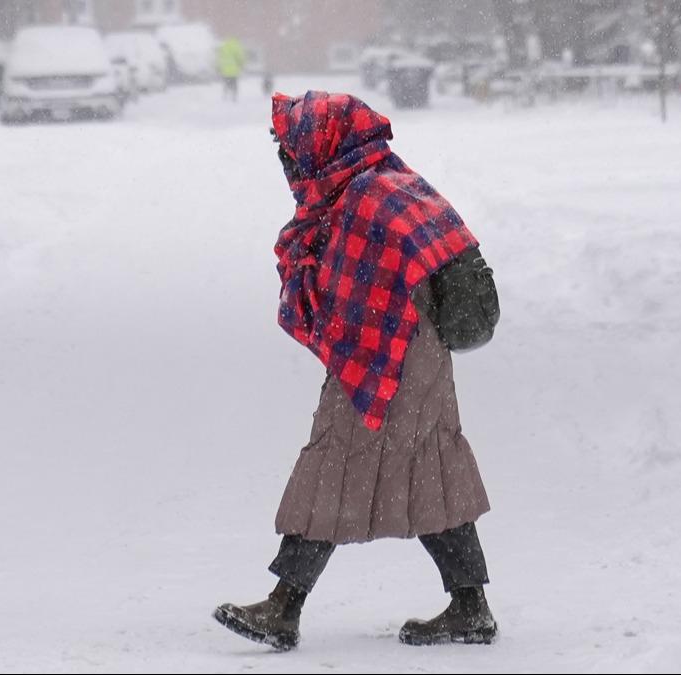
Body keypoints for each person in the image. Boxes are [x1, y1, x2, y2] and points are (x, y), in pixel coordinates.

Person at [213, 91, 500, 652]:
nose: (289, 162)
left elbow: (359, 288)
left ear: (324, 144)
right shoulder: (387, 182)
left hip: (387, 354)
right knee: (423, 463)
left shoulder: (365, 198)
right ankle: (470, 606)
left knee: (338, 462)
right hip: (412, 351)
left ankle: (284, 605)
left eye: (294, 150)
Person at [216, 37, 245, 102]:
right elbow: (240, 57)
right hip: (234, 71)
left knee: (226, 83)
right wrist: (241, 65)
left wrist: (218, 67)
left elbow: (219, 58)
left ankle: (225, 95)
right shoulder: (236, 47)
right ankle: (234, 96)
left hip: (225, 70)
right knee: (234, 84)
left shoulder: (224, 47)